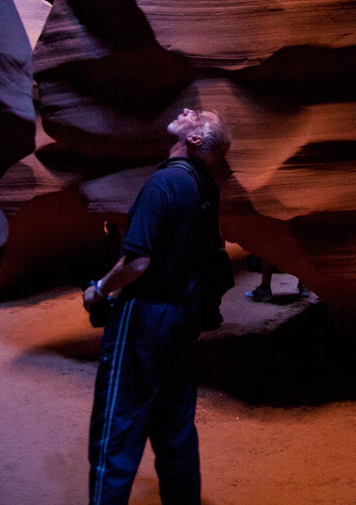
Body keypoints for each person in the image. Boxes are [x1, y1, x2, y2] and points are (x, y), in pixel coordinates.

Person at [83, 107, 232, 505]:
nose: (186, 111)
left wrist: (99, 290)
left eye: (195, 115)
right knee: (175, 429)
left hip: (145, 316)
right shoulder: (205, 186)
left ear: (196, 139)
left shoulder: (162, 183)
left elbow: (138, 262)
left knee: (116, 429)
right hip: (184, 314)